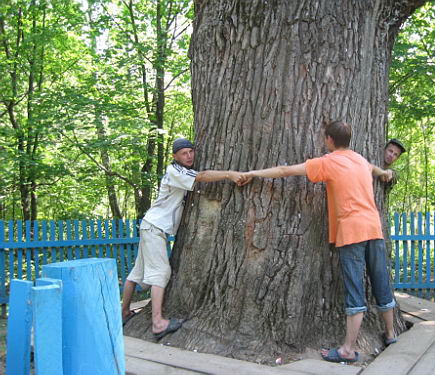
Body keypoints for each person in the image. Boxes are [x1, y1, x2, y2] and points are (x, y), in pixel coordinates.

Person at [237, 120, 396, 363]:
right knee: (381, 281)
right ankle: (391, 333)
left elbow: (284, 171)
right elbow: (374, 168)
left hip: (351, 231)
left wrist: (252, 173)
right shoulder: (360, 160)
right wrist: (384, 172)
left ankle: (347, 350)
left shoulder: (328, 162)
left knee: (355, 291)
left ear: (329, 140)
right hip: (373, 228)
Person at [122, 138, 244, 340]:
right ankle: (158, 322)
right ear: (175, 156)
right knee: (160, 273)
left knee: (137, 273)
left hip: (151, 226)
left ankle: (124, 312)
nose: (189, 156)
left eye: (191, 151)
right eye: (184, 153)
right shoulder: (174, 171)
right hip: (155, 228)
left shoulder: (178, 171)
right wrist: (229, 174)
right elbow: (202, 176)